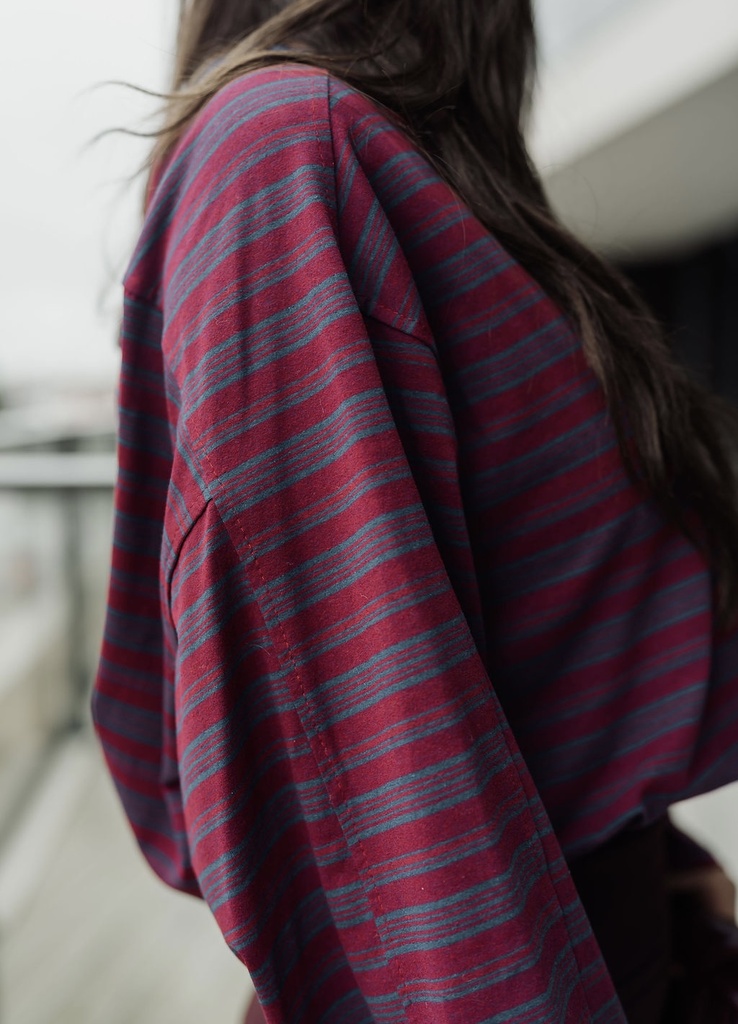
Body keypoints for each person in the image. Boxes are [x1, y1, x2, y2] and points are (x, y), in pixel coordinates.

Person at [92, 1, 738, 1021]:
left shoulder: (381, 168)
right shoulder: (288, 150)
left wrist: (662, 862)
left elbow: (497, 671)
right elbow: (371, 783)